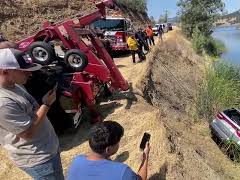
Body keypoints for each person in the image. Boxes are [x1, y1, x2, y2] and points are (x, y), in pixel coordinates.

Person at [0, 48, 63, 180]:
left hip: (46, 149)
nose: (30, 74)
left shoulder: (14, 84)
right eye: (24, 71)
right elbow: (27, 133)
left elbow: (30, 113)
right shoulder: (3, 102)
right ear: (5, 71)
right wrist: (46, 104)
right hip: (38, 159)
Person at [67, 121, 151, 180]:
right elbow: (141, 178)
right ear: (108, 149)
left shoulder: (76, 161)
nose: (118, 144)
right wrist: (145, 156)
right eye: (118, 142)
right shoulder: (122, 172)